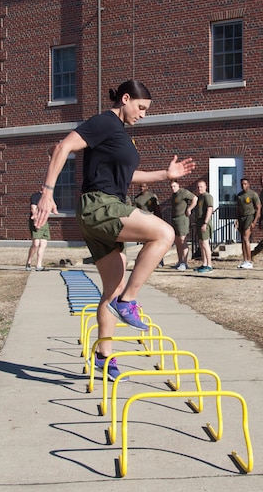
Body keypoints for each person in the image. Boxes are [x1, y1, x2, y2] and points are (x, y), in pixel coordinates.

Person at [33, 80, 195, 381]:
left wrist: (165, 174)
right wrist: (47, 192)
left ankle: (104, 356)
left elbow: (126, 175)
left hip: (103, 207)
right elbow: (63, 146)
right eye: (141, 108)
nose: (144, 114)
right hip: (99, 205)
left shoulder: (119, 135)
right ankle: (128, 301)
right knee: (164, 233)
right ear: (125, 99)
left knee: (112, 288)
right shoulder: (105, 122)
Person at [169, 180, 196, 271]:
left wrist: (189, 208)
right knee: (177, 241)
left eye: (174, 186)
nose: (173, 188)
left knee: (182, 240)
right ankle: (180, 261)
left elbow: (195, 198)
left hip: (182, 218)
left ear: (178, 185)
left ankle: (185, 262)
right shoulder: (173, 195)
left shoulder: (183, 192)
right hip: (174, 219)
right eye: (171, 187)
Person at [235, 177, 261, 269]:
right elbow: (238, 209)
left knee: (246, 238)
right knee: (242, 239)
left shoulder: (253, 194)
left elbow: (258, 208)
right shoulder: (239, 196)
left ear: (248, 184)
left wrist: (255, 221)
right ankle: (245, 259)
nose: (243, 186)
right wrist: (237, 220)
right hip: (241, 218)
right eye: (242, 184)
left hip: (249, 217)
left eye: (245, 184)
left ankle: (249, 260)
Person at [192, 179, 214, 273]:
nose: (199, 188)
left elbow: (209, 209)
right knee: (201, 244)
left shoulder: (207, 196)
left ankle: (209, 265)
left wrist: (205, 223)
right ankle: (204, 263)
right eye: (198, 187)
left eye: (201, 186)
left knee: (205, 244)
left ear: (205, 187)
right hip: (199, 222)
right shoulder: (199, 197)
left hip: (205, 222)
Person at [26, 191, 49, 271]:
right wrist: (36, 221)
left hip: (44, 221)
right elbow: (33, 208)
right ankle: (28, 262)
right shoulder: (36, 196)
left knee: (43, 243)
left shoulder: (48, 197)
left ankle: (39, 265)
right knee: (36, 244)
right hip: (36, 220)